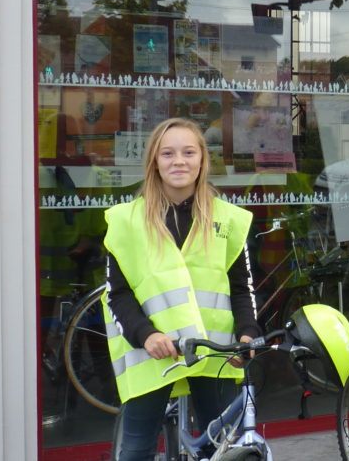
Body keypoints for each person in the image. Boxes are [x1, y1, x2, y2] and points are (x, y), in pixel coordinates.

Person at [102, 117, 259, 461]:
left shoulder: (228, 219)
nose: (179, 161)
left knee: (221, 451)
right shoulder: (127, 221)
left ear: (202, 159)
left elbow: (241, 289)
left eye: (189, 152)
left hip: (213, 352)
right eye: (168, 153)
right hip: (150, 353)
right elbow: (118, 294)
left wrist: (247, 334)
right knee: (136, 450)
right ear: (155, 162)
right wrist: (145, 335)